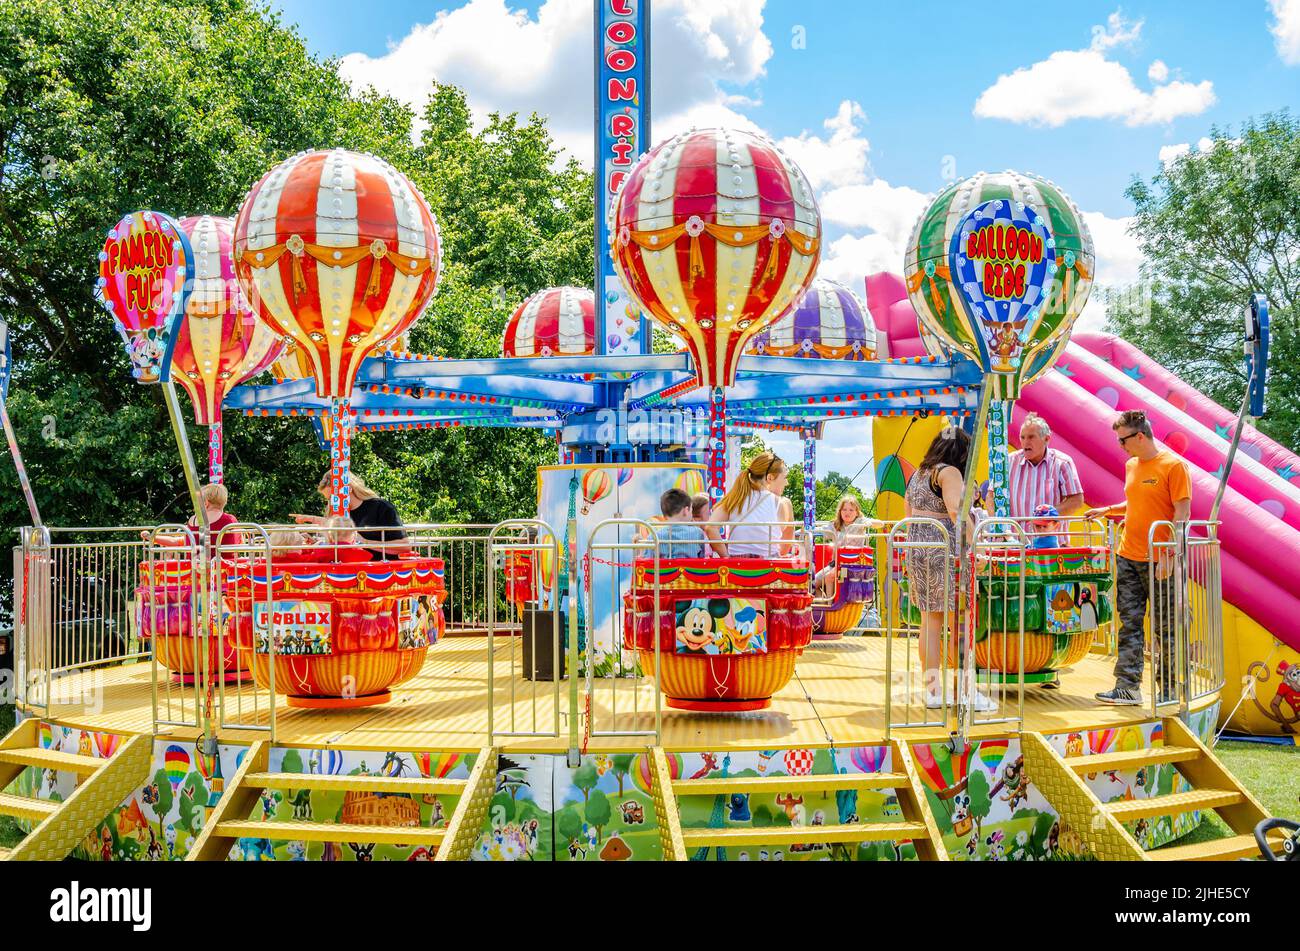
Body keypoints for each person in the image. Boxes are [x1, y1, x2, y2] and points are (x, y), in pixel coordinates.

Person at [1085, 409, 1192, 705]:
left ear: (1140, 436)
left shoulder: (1174, 466)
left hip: (1159, 558)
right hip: (1128, 555)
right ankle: (1127, 686)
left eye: (1123, 441)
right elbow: (1136, 503)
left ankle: (1169, 690)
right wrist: (1107, 511)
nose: (1121, 447)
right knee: (1129, 622)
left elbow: (1182, 513)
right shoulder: (1132, 465)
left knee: (1166, 626)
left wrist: (1171, 554)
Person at [903, 427, 993, 711]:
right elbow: (957, 510)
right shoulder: (949, 473)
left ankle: (932, 691)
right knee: (961, 623)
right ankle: (966, 691)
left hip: (919, 549)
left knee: (930, 623)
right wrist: (974, 546)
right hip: (946, 552)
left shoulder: (920, 473)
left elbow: (908, 512)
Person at [292, 473, 408, 560]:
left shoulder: (382, 508)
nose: (332, 503)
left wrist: (365, 542)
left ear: (348, 489)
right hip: (345, 575)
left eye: (334, 497)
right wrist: (317, 543)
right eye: (329, 499)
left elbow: (404, 547)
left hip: (378, 573)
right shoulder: (338, 513)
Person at [706, 452, 794, 558]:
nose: (787, 483)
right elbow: (784, 548)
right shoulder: (782, 503)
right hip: (769, 566)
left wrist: (726, 557)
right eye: (784, 477)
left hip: (737, 566)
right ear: (770, 478)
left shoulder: (735, 499)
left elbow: (710, 528)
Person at [998, 413, 1085, 520]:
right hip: (1015, 535)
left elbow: (1077, 500)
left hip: (1049, 535)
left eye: (1031, 437)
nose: (1025, 442)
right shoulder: (1008, 461)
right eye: (1022, 437)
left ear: (1047, 439)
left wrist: (1049, 515)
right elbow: (992, 495)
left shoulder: (1062, 463)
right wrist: (1000, 524)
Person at [145, 483, 242, 552]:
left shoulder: (194, 520)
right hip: (225, 573)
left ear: (206, 503)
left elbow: (179, 542)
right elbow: (238, 542)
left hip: (194, 573)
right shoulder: (229, 520)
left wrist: (153, 537)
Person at [655, 488, 708, 559]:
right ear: (686, 511)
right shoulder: (698, 533)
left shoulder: (654, 536)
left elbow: (646, 560)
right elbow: (701, 559)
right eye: (691, 510)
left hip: (663, 570)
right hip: (691, 569)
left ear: (664, 515)